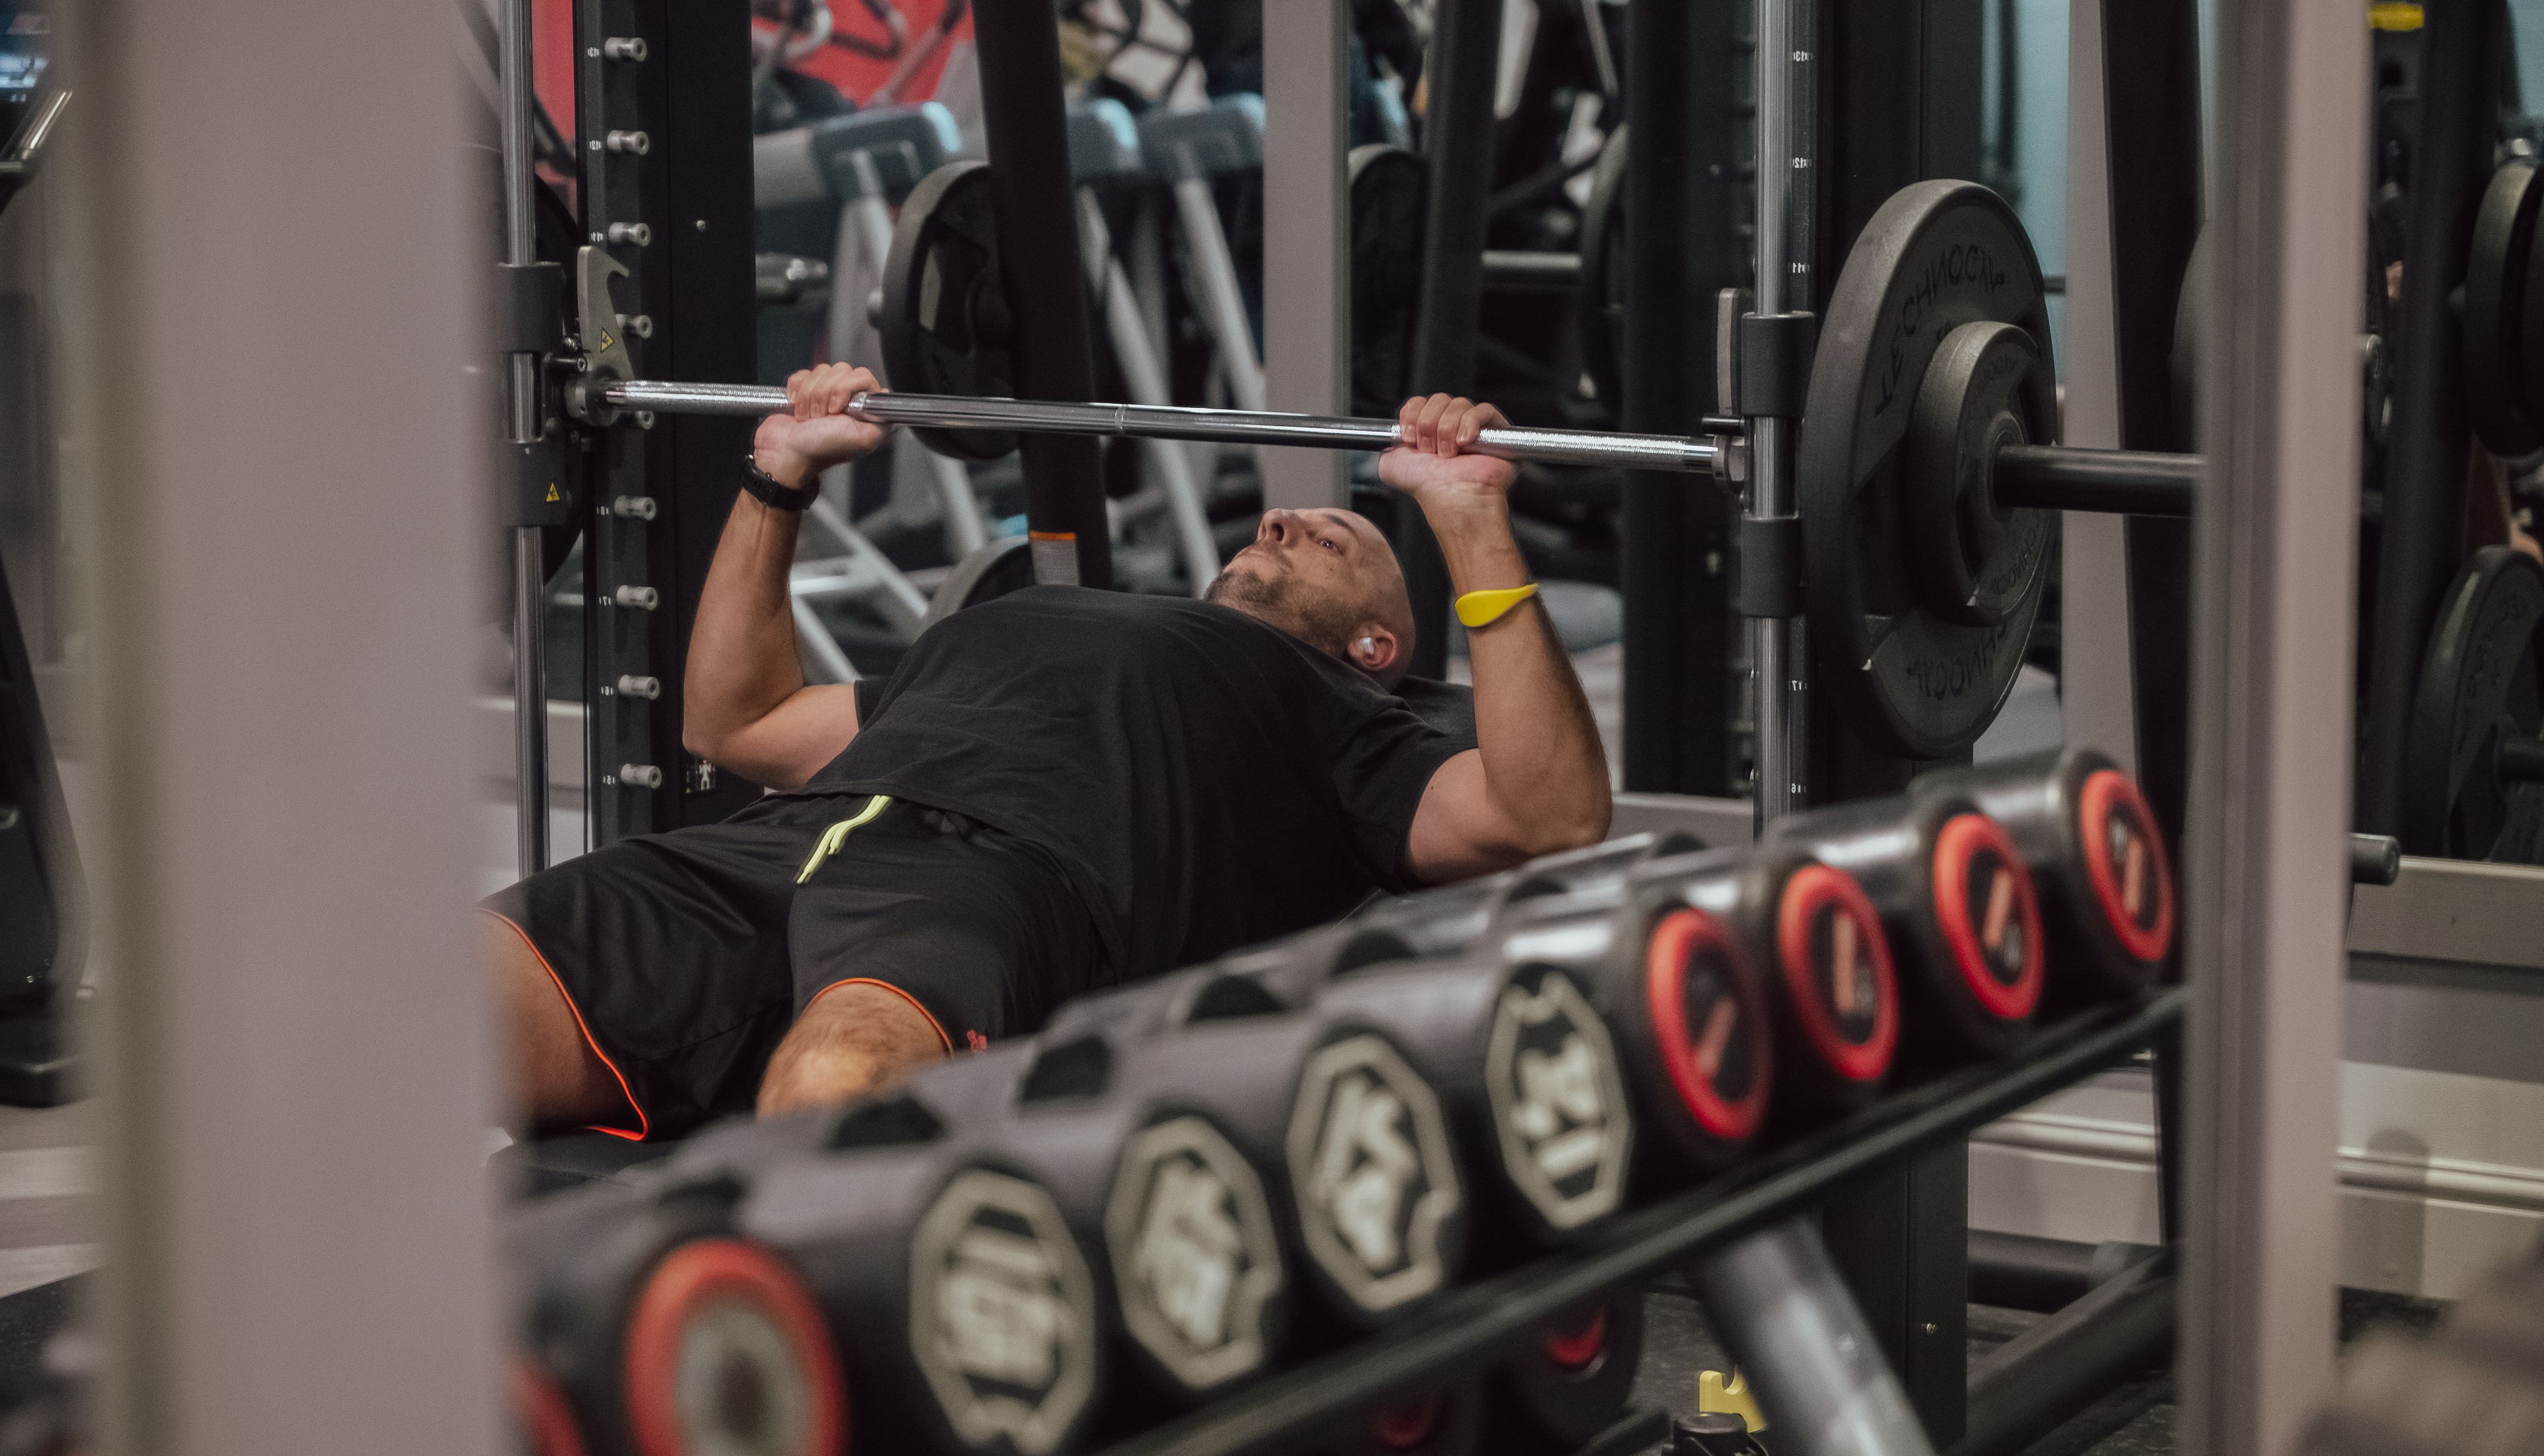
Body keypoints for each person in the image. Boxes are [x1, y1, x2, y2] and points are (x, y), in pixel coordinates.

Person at [484, 364, 1611, 1138]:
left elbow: (1543, 813)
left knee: (837, 1078)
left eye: (1337, 534)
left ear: (1379, 642)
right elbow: (734, 722)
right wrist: (780, 471)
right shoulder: (1034, 629)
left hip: (996, 885)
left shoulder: (1344, 716)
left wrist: (1468, 517)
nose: (1280, 520)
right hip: (773, 847)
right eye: (1278, 520)